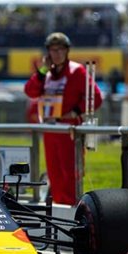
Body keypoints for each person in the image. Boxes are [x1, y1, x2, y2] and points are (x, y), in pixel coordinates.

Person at [24, 32, 103, 205]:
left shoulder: (77, 71)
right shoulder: (46, 73)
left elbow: (96, 97)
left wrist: (76, 112)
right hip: (50, 131)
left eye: (60, 49)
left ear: (67, 51)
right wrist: (42, 71)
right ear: (48, 52)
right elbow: (30, 91)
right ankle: (60, 208)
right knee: (55, 174)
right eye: (53, 50)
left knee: (71, 174)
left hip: (70, 132)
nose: (57, 53)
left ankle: (74, 209)